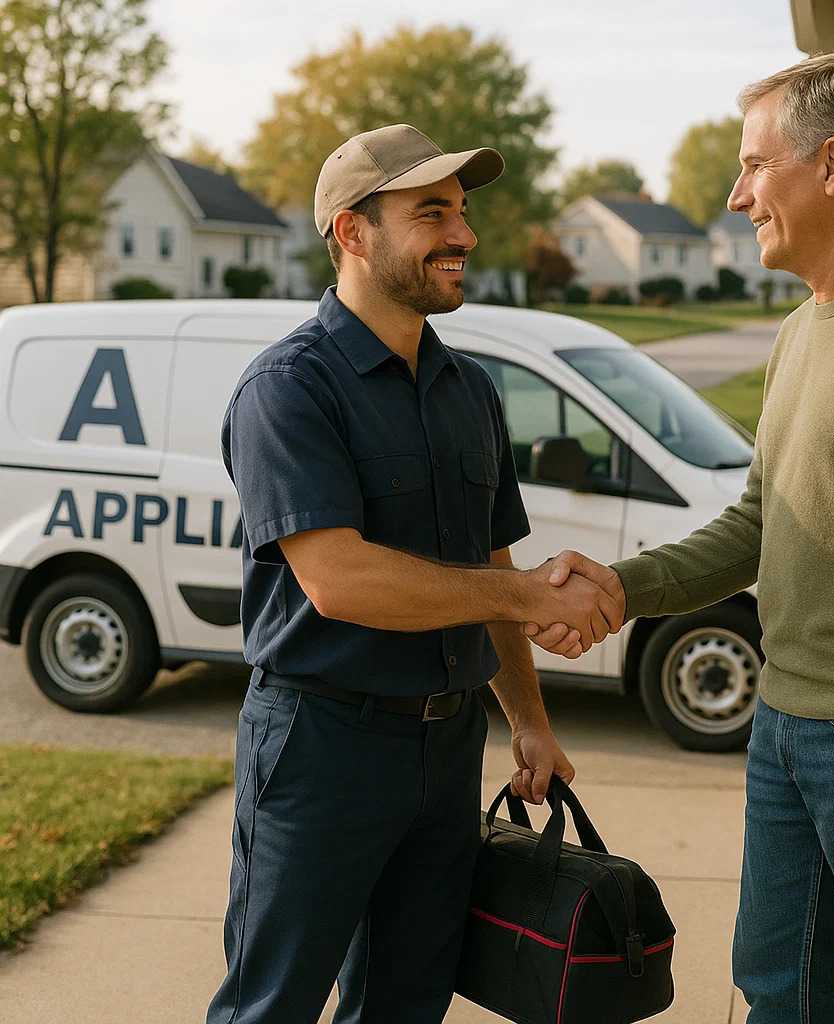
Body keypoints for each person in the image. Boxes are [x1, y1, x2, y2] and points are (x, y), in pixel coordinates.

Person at [527, 54, 834, 1023]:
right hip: (784, 721)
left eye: (753, 165)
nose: (738, 194)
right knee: (773, 978)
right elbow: (759, 522)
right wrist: (618, 585)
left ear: (832, 164)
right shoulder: (798, 331)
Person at [205, 123, 624, 1024]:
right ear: (352, 234)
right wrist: (526, 595)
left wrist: (530, 722)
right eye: (432, 213)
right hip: (321, 747)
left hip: (445, 753)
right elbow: (340, 581)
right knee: (270, 1005)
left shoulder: (467, 388)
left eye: (463, 213)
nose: (464, 237)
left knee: (406, 1004)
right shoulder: (288, 390)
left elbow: (491, 561)